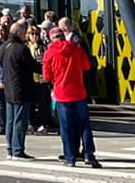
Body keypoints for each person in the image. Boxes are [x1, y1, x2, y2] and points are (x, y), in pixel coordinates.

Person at [43, 20, 100, 170]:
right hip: (79, 92)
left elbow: (47, 76)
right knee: (84, 124)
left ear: (51, 39)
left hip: (62, 93)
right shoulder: (77, 48)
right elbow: (86, 66)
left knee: (66, 126)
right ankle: (89, 154)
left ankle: (70, 157)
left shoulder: (49, 53)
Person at [0, 22, 36, 160]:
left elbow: (1, 64)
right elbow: (32, 65)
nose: (26, 35)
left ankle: (10, 148)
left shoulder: (3, 46)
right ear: (19, 33)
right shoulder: (21, 49)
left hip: (9, 86)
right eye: (25, 32)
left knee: (10, 120)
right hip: (21, 88)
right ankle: (18, 149)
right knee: (20, 120)